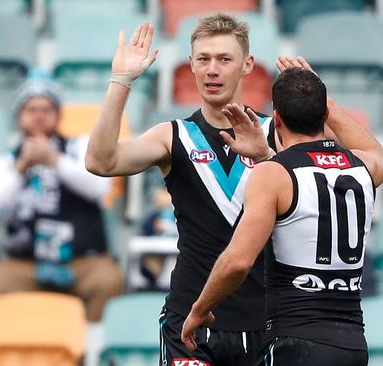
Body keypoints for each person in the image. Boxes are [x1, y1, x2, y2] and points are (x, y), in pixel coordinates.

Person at [86, 15, 278, 365]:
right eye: (203, 59)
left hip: (264, 322)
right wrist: (120, 81)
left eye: (224, 59)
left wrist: (271, 155)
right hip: (189, 322)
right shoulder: (172, 135)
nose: (212, 70)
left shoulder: (275, 135)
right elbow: (101, 162)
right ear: (190, 64)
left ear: (247, 64)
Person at [181, 67, 383, 366]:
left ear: (276, 119)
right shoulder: (362, 166)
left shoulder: (274, 174)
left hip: (296, 342)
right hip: (353, 345)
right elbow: (372, 150)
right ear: (323, 114)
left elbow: (237, 262)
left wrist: (199, 309)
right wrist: (329, 107)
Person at [0, 77, 124, 321]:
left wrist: (54, 160)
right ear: (19, 115)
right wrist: (21, 168)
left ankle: (87, 351)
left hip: (84, 262)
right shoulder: (2, 162)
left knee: (109, 282)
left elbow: (100, 189)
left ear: (58, 115)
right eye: (31, 109)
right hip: (24, 265)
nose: (39, 115)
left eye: (47, 109)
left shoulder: (80, 147)